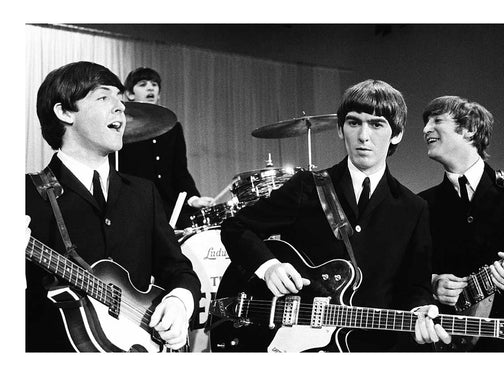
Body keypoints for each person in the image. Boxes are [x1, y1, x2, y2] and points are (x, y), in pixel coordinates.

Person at [220, 79, 450, 351]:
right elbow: (235, 228)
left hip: (372, 349)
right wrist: (269, 267)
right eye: (354, 123)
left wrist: (421, 310)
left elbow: (416, 287)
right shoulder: (307, 186)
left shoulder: (414, 208)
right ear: (341, 130)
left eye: (377, 124)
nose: (364, 136)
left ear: (396, 134)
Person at [25, 61, 201, 352]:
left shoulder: (144, 193)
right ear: (64, 112)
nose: (121, 106)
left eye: (120, 97)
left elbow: (178, 268)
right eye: (104, 97)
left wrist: (179, 302)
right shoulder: (24, 195)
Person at [419, 95, 504, 352]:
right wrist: (433, 283)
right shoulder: (420, 205)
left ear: (469, 129)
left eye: (437, 120)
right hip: (446, 346)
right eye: (426, 122)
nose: (426, 129)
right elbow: (407, 274)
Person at [118, 67, 213, 229]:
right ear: (130, 94)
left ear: (159, 94)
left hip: (170, 206)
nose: (150, 88)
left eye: (154, 85)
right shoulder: (120, 126)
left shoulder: (173, 128)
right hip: (134, 205)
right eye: (142, 84)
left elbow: (180, 171)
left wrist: (193, 199)